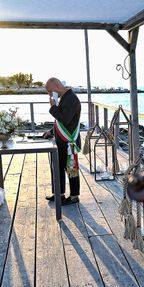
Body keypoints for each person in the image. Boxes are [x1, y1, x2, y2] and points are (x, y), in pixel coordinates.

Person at [43, 77, 81, 205]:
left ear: (57, 87)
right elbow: (60, 121)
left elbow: (65, 119)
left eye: (50, 91)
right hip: (60, 141)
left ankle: (74, 196)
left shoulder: (71, 99)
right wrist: (51, 131)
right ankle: (59, 194)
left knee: (71, 169)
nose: (49, 94)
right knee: (57, 167)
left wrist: (53, 107)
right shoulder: (65, 97)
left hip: (69, 141)